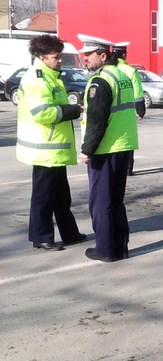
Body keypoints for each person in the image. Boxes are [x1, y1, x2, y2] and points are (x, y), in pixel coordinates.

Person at [16, 35, 86, 251]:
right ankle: (41, 237)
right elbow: (42, 113)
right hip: (44, 149)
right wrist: (72, 110)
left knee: (61, 196)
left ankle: (69, 233)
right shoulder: (37, 79)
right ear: (41, 56)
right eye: (56, 57)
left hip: (54, 149)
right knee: (44, 196)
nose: (60, 61)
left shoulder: (50, 75)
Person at [77, 34, 139, 262]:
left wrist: (87, 150)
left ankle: (104, 249)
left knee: (101, 202)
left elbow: (96, 119)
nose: (84, 58)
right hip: (123, 145)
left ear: (103, 56)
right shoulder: (121, 75)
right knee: (116, 200)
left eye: (89, 54)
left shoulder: (100, 81)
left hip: (105, 149)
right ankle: (120, 248)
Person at [113, 42, 145, 176]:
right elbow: (138, 93)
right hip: (128, 111)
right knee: (127, 140)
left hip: (112, 112)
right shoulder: (131, 71)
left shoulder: (109, 70)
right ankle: (127, 168)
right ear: (125, 55)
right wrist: (140, 110)